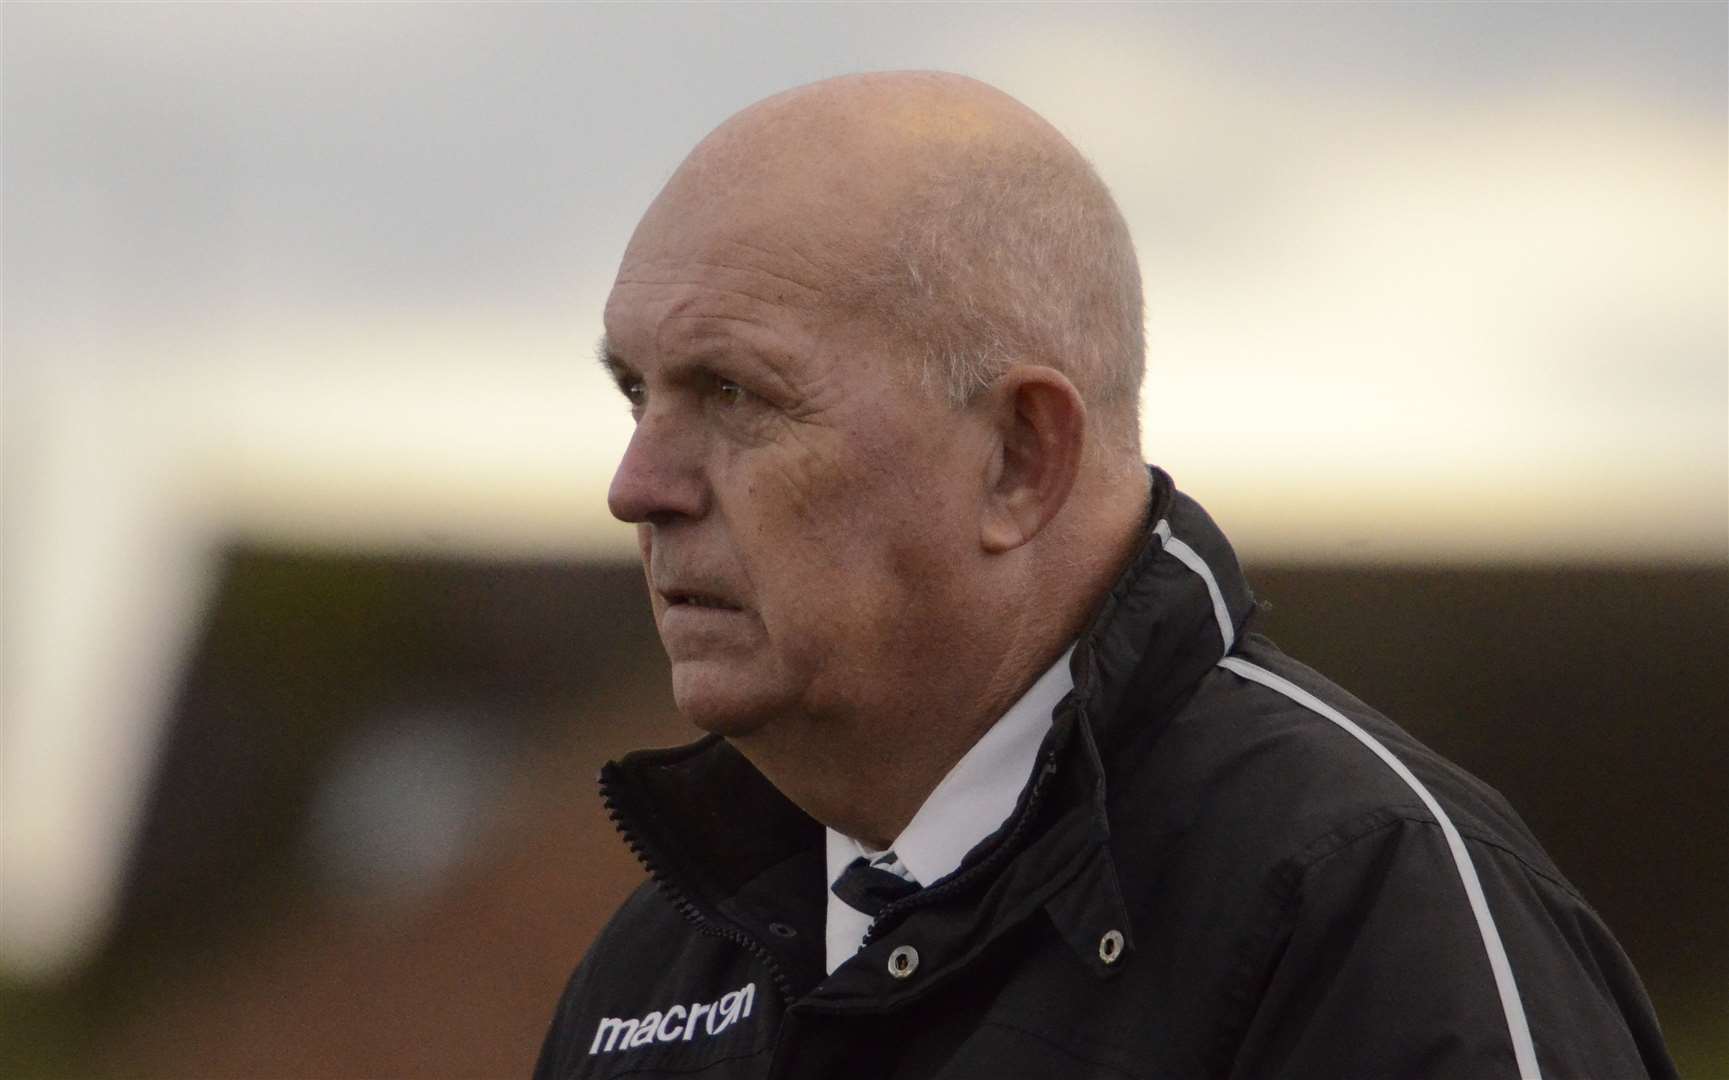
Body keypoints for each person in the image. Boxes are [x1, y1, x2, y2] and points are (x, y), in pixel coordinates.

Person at [535, 71, 1674, 1079]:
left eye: (736, 395)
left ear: (1021, 459)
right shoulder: (659, 968)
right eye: (637, 394)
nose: (637, 487)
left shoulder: (1359, 906)